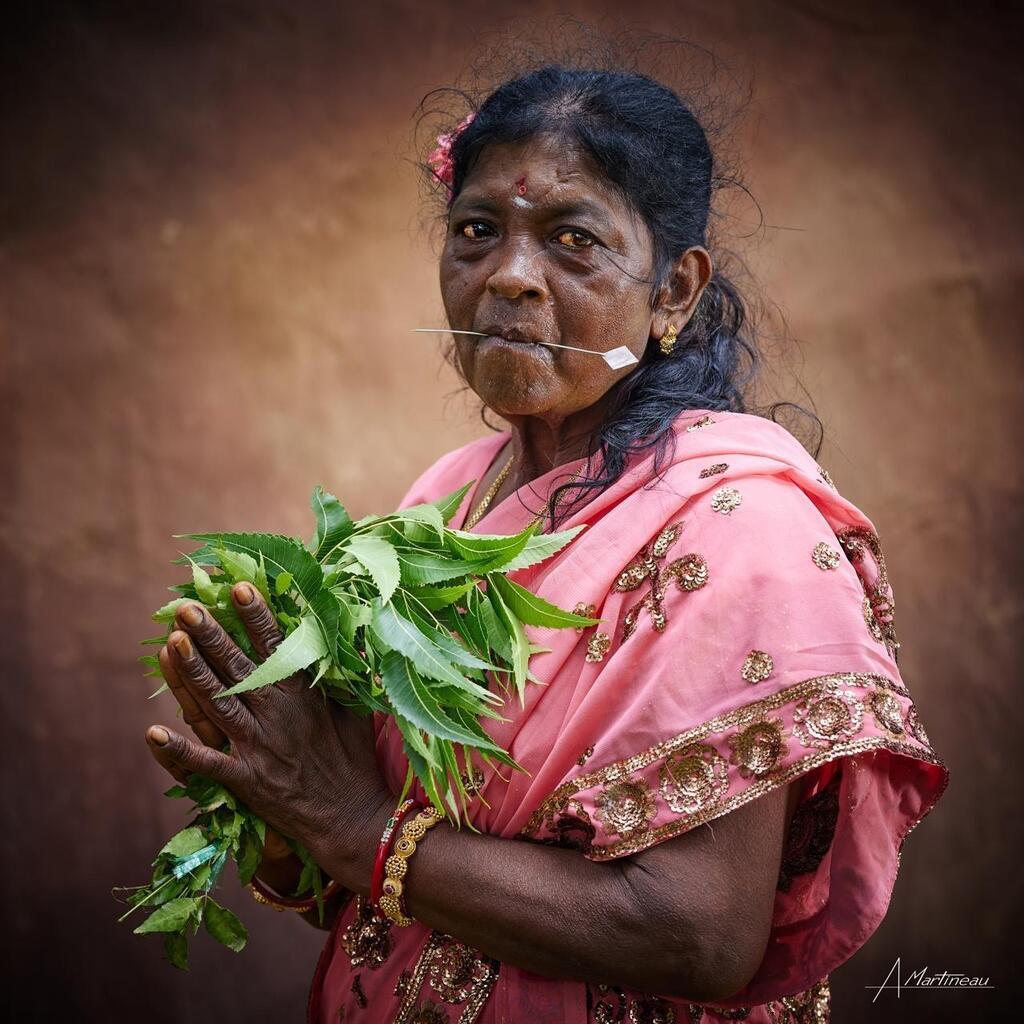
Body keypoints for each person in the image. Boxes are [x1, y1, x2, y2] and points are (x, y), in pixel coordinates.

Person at [144, 64, 948, 1023]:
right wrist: (276, 782)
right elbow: (388, 847)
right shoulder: (450, 498)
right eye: (477, 231)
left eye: (574, 240)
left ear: (674, 292)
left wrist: (352, 824)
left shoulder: (738, 530)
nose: (510, 276)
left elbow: (696, 935)